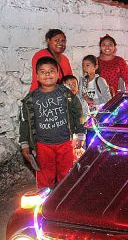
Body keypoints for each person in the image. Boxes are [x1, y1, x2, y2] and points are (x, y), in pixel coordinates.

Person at [20, 57, 85, 189]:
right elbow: (25, 121)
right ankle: (45, 202)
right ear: (37, 76)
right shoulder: (30, 99)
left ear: (58, 74)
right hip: (42, 145)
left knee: (66, 174)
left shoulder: (66, 94)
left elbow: (78, 113)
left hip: (65, 142)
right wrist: (24, 143)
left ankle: (64, 200)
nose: (47, 74)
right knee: (45, 175)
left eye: (51, 71)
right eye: (43, 72)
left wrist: (80, 133)